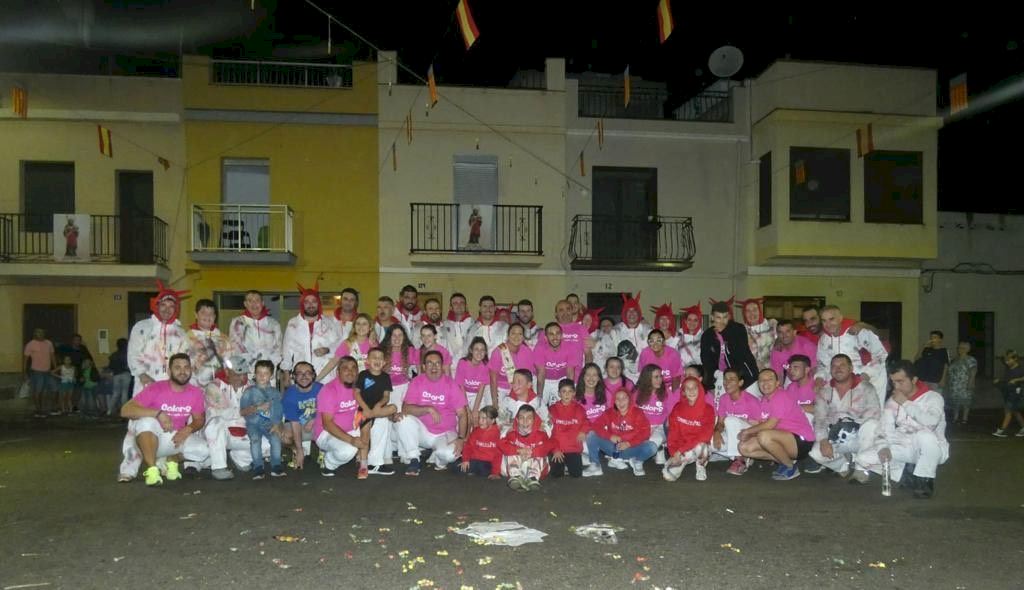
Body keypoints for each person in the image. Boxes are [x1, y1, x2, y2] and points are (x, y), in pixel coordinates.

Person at [856, 360, 949, 499]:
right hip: (904, 445)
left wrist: (905, 403)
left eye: (900, 381)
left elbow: (931, 423)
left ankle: (924, 481)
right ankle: (905, 474)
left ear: (914, 380)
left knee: (925, 436)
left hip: (932, 448)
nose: (896, 386)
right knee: (863, 458)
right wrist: (883, 447)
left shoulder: (933, 397)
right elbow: (884, 427)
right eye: (893, 382)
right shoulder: (893, 400)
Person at [118, 354, 207, 486]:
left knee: (204, 450)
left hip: (174, 438)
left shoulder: (196, 393)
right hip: (149, 438)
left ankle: (172, 459)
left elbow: (199, 419)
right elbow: (125, 410)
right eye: (177, 367)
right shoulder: (156, 388)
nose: (182, 371)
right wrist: (158, 413)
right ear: (169, 371)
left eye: (186, 367)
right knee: (146, 421)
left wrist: (188, 429)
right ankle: (152, 470)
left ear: (191, 370)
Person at [806, 354, 881, 480]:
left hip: (859, 435)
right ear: (830, 370)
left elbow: (874, 414)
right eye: (834, 366)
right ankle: (842, 466)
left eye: (842, 365)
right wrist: (823, 440)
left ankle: (861, 468)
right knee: (816, 453)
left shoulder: (865, 387)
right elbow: (820, 419)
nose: (838, 369)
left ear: (851, 368)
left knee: (872, 425)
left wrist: (849, 423)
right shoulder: (824, 391)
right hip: (836, 434)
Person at [395, 350, 469, 475]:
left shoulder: (451, 384)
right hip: (423, 432)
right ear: (424, 367)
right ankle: (414, 459)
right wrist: (428, 408)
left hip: (445, 433)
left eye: (437, 363)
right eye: (430, 363)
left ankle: (438, 457)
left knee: (449, 455)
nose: (434, 367)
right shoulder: (417, 381)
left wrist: (461, 438)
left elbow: (462, 414)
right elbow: (406, 409)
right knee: (402, 419)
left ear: (442, 366)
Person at [738, 369, 816, 481]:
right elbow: (762, 423)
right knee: (744, 448)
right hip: (783, 438)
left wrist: (747, 432)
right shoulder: (764, 400)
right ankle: (785, 460)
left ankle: (790, 467)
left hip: (801, 441)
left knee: (764, 436)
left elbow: (769, 425)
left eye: (769, 379)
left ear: (777, 383)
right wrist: (748, 431)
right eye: (762, 380)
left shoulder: (780, 395)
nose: (765, 383)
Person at [814, 305, 888, 407]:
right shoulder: (824, 340)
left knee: (870, 414)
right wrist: (819, 378)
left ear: (840, 318)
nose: (828, 324)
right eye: (824, 321)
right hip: (842, 386)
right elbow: (823, 364)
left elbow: (880, 355)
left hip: (869, 380)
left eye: (831, 319)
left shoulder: (858, 332)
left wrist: (867, 374)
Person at [202, 358, 262, 481]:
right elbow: (220, 413)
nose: (242, 378)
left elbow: (257, 410)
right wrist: (242, 412)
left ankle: (241, 457)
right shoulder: (214, 387)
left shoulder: (252, 386)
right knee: (216, 423)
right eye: (238, 374)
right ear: (227, 372)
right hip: (221, 431)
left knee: (268, 443)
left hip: (242, 429)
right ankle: (219, 466)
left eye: (245, 374)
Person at [127, 281, 189, 397]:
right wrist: (142, 375)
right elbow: (133, 354)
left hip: (171, 388)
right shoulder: (142, 327)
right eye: (163, 305)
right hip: (145, 384)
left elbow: (183, 360)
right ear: (157, 305)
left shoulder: (181, 333)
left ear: (176, 309)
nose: (167, 309)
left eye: (171, 306)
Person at [582, 389, 656, 478]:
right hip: (613, 448)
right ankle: (595, 465)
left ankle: (637, 461)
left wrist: (629, 443)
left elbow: (645, 432)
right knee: (591, 435)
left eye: (624, 398)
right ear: (614, 401)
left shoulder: (638, 413)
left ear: (629, 399)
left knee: (652, 446)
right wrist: (610, 436)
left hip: (631, 448)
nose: (621, 402)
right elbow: (596, 426)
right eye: (618, 399)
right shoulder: (609, 412)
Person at [314, 356, 367, 477]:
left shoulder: (359, 387)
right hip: (326, 433)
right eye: (345, 368)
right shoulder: (329, 390)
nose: (350, 372)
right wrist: (351, 440)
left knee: (379, 422)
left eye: (353, 368)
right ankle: (329, 463)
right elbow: (327, 424)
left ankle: (371, 463)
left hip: (352, 428)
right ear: (338, 372)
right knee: (348, 450)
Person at [281, 282, 341, 386]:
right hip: (301, 376)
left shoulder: (330, 323)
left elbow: (339, 346)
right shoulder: (293, 324)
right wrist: (286, 373)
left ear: (318, 303)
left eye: (314, 301)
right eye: (307, 302)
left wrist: (327, 350)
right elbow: (286, 350)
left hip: (325, 376)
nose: (310, 305)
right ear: (302, 304)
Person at [353, 348, 399, 478]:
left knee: (393, 408)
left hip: (377, 410)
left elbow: (386, 396)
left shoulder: (385, 377)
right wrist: (366, 409)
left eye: (380, 358)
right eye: (374, 357)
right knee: (365, 436)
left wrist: (378, 406)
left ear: (384, 362)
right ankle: (363, 466)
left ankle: (371, 416)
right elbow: (356, 394)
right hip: (364, 410)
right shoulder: (363, 374)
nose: (377, 360)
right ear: (367, 361)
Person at [709, 369, 764, 475]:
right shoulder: (723, 398)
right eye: (725, 379)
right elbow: (720, 422)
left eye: (732, 379)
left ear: (740, 382)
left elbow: (759, 426)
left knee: (730, 420)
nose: (727, 382)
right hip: (732, 436)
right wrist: (716, 432)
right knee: (710, 443)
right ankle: (745, 456)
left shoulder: (751, 400)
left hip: (748, 437)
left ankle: (740, 460)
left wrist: (744, 422)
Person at [239, 360, 286, 480]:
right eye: (259, 373)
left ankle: (276, 465)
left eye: (265, 373)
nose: (262, 376)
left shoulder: (275, 393)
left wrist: (277, 424)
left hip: (269, 424)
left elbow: (278, 409)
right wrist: (257, 408)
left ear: (271, 375)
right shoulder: (249, 392)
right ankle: (258, 466)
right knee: (255, 440)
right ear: (254, 374)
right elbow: (242, 411)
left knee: (276, 438)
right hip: (253, 424)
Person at [700, 301, 758, 396]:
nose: (722, 321)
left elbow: (740, 354)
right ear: (712, 317)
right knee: (722, 403)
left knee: (750, 404)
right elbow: (706, 360)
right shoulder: (707, 335)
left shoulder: (738, 329)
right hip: (721, 377)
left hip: (746, 376)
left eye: (725, 317)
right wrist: (715, 374)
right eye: (718, 317)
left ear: (729, 317)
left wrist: (723, 332)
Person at [662, 377, 715, 482]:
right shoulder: (677, 408)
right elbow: (673, 433)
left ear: (700, 390)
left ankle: (700, 466)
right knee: (668, 476)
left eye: (694, 388)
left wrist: (680, 451)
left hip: (697, 447)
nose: (691, 391)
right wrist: (674, 453)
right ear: (683, 391)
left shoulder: (708, 410)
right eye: (687, 388)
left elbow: (705, 436)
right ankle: (683, 462)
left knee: (702, 446)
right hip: (681, 449)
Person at [228, 290, 283, 376]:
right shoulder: (238, 323)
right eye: (250, 301)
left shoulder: (273, 324)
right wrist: (250, 367)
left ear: (262, 303)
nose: (254, 304)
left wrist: (268, 367)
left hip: (269, 373)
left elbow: (278, 349)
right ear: (245, 304)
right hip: (246, 373)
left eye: (257, 300)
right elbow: (236, 349)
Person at [499, 405, 552, 491]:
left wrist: (533, 452)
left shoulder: (541, 434)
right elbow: (501, 444)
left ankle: (533, 478)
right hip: (516, 465)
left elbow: (550, 444)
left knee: (540, 454)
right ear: (517, 420)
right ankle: (516, 476)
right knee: (510, 452)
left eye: (529, 418)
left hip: (535, 467)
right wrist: (517, 450)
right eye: (521, 418)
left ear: (534, 420)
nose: (525, 421)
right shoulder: (511, 433)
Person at [281, 361, 321, 471]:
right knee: (283, 436)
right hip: (300, 426)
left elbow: (329, 413)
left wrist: (314, 420)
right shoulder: (289, 395)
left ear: (313, 375)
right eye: (299, 373)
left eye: (308, 373)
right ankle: (295, 450)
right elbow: (295, 423)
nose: (304, 376)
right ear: (294, 376)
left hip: (319, 425)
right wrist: (299, 449)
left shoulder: (322, 389)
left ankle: (322, 449)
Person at [548, 379, 590, 478]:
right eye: (564, 391)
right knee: (556, 475)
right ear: (559, 393)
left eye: (570, 391)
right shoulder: (552, 409)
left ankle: (576, 460)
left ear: (574, 393)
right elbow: (549, 432)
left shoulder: (579, 409)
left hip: (573, 449)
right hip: (558, 449)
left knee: (576, 474)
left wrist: (583, 431)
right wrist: (555, 449)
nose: (567, 394)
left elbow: (587, 422)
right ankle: (557, 463)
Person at [186, 299, 232, 388]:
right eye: (203, 312)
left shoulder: (224, 338)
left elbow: (230, 361)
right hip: (194, 385)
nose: (207, 316)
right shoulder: (187, 338)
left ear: (215, 317)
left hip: (220, 385)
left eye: (211, 313)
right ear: (196, 315)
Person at [317, 313, 375, 379]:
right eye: (358, 324)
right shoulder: (347, 343)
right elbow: (333, 362)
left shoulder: (373, 344)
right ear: (354, 327)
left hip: (369, 380)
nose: (361, 326)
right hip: (350, 380)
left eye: (364, 324)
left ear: (370, 327)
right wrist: (317, 379)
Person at [488, 323, 534, 403]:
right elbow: (493, 379)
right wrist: (495, 402)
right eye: (513, 333)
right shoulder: (498, 351)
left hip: (519, 389)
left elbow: (528, 378)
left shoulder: (527, 352)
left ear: (523, 337)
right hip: (499, 389)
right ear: (508, 336)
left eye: (520, 334)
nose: (516, 336)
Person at [535, 322, 579, 406]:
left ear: (562, 335)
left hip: (561, 379)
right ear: (545, 338)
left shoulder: (570, 347)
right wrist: (539, 396)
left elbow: (570, 372)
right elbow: (541, 374)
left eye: (557, 333)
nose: (555, 337)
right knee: (538, 406)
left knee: (568, 404)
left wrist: (570, 393)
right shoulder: (539, 348)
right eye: (551, 334)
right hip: (545, 379)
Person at [454, 405, 502, 479]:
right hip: (474, 459)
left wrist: (495, 472)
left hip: (487, 463)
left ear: (492, 421)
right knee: (455, 466)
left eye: (484, 418)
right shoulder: (476, 431)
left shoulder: (497, 434)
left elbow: (498, 455)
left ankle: (473, 470)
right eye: (479, 418)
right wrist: (466, 460)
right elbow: (468, 446)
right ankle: (472, 470)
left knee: (484, 469)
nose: (480, 421)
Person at [612, 293, 651, 381]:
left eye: (634, 311)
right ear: (624, 313)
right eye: (628, 311)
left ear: (639, 313)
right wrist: (621, 362)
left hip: (645, 377)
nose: (632, 313)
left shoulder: (648, 330)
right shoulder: (616, 331)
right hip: (623, 376)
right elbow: (610, 354)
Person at [770, 320, 818, 386]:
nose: (784, 335)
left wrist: (808, 387)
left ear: (794, 332)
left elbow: (815, 369)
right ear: (777, 334)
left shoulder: (807, 346)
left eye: (787, 331)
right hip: (791, 379)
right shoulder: (777, 350)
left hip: (811, 378)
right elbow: (778, 375)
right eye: (780, 332)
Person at [456, 337, 492, 420]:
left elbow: (481, 388)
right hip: (463, 394)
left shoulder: (485, 365)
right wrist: (467, 409)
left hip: (477, 395)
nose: (479, 352)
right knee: (465, 418)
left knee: (478, 417)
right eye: (476, 349)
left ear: (485, 352)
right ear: (471, 350)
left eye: (482, 350)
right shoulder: (463, 363)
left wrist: (475, 410)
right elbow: (461, 387)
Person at [24, 328, 56, 418]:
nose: (41, 334)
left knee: (54, 389)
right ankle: (38, 410)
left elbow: (52, 356)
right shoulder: (30, 344)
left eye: (42, 332)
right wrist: (24, 373)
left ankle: (50, 408)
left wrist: (56, 368)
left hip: (48, 371)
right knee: (38, 391)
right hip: (36, 372)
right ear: (35, 334)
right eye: (38, 333)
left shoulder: (49, 343)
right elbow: (25, 360)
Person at [738, 298, 776, 371]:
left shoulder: (772, 326)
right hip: (751, 372)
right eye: (748, 311)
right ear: (744, 314)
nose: (752, 313)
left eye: (755, 310)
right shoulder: (741, 332)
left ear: (760, 311)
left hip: (773, 372)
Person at [992, 350, 1024, 437]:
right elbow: (1007, 379)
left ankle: (1002, 430)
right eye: (1006, 360)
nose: (1007, 362)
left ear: (1015, 358)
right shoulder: (1008, 368)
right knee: (1015, 411)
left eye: (1009, 360)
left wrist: (1016, 380)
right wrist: (999, 381)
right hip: (1008, 392)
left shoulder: (1020, 369)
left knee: (1008, 410)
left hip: (1015, 393)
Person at [947, 341, 978, 425]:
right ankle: (955, 417)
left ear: (967, 349)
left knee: (966, 401)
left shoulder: (970, 359)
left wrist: (971, 382)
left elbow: (973, 371)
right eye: (959, 348)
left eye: (962, 348)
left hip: (965, 383)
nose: (960, 350)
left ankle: (965, 418)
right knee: (955, 402)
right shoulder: (955, 359)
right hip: (954, 385)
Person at [442, 293, 474, 359]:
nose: (459, 305)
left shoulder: (474, 325)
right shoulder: (444, 325)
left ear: (466, 306)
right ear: (451, 307)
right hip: (450, 363)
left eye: (462, 303)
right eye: (455, 303)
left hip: (469, 362)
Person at [107, 338, 131, 417]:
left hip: (116, 375)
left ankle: (109, 410)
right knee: (125, 393)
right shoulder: (127, 354)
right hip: (126, 374)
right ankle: (124, 411)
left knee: (115, 393)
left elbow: (110, 366)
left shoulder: (113, 355)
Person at [678, 303, 704, 369]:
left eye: (695, 320)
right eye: (689, 319)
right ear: (685, 321)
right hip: (681, 371)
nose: (692, 322)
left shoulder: (704, 337)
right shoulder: (678, 336)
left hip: (698, 370)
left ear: (699, 322)